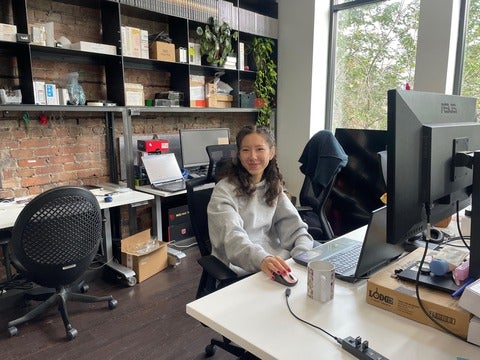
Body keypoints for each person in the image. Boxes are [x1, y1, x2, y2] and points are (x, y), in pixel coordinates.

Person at [207, 125, 314, 280]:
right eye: (245, 150)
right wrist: (262, 260)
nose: (253, 156)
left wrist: (301, 256)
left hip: (278, 265)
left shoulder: (272, 185)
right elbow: (233, 239)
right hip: (242, 268)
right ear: (238, 155)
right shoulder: (223, 191)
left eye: (259, 149)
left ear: (271, 152)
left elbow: (295, 229)